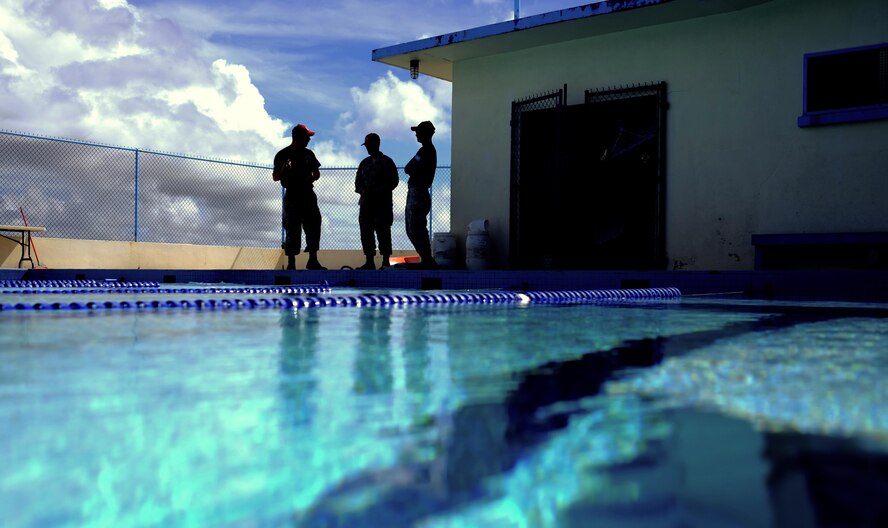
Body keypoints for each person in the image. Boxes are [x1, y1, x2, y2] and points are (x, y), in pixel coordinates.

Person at [272, 123, 327, 270]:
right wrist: (284, 169)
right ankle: (291, 263)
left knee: (314, 224)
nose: (309, 139)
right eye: (306, 137)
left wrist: (312, 178)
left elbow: (317, 172)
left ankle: (313, 260)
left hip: (308, 193)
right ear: (297, 137)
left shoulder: (309, 154)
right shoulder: (282, 155)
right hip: (292, 195)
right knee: (292, 227)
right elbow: (275, 177)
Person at [355, 133, 399, 270]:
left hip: (382, 204)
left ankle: (385, 261)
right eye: (367, 146)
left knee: (383, 231)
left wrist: (380, 191)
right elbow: (357, 183)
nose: (368, 148)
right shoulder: (364, 163)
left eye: (370, 145)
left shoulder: (387, 162)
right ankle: (369, 261)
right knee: (366, 231)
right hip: (366, 204)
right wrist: (363, 191)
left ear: (377, 144)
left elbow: (394, 181)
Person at [403, 120, 438, 269]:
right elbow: (409, 168)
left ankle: (427, 259)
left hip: (418, 192)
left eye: (418, 132)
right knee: (415, 226)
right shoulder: (426, 151)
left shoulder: (425, 151)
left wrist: (416, 168)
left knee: (415, 226)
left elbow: (408, 168)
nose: (416, 134)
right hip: (419, 192)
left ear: (424, 134)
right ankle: (426, 258)